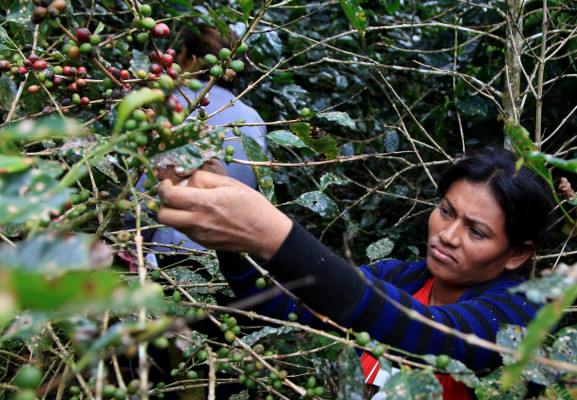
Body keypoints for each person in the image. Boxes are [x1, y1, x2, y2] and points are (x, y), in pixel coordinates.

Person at [155, 148, 556, 398]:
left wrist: (271, 234)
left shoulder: (521, 318)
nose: (448, 236)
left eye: (477, 231)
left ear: (516, 255)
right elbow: (288, 308)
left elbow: (429, 332)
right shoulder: (400, 278)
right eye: (446, 212)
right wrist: (232, 243)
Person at [126, 22, 267, 264]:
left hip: (172, 254)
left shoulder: (168, 107)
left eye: (178, 55)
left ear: (192, 60)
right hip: (231, 256)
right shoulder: (254, 119)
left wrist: (130, 245)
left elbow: (141, 196)